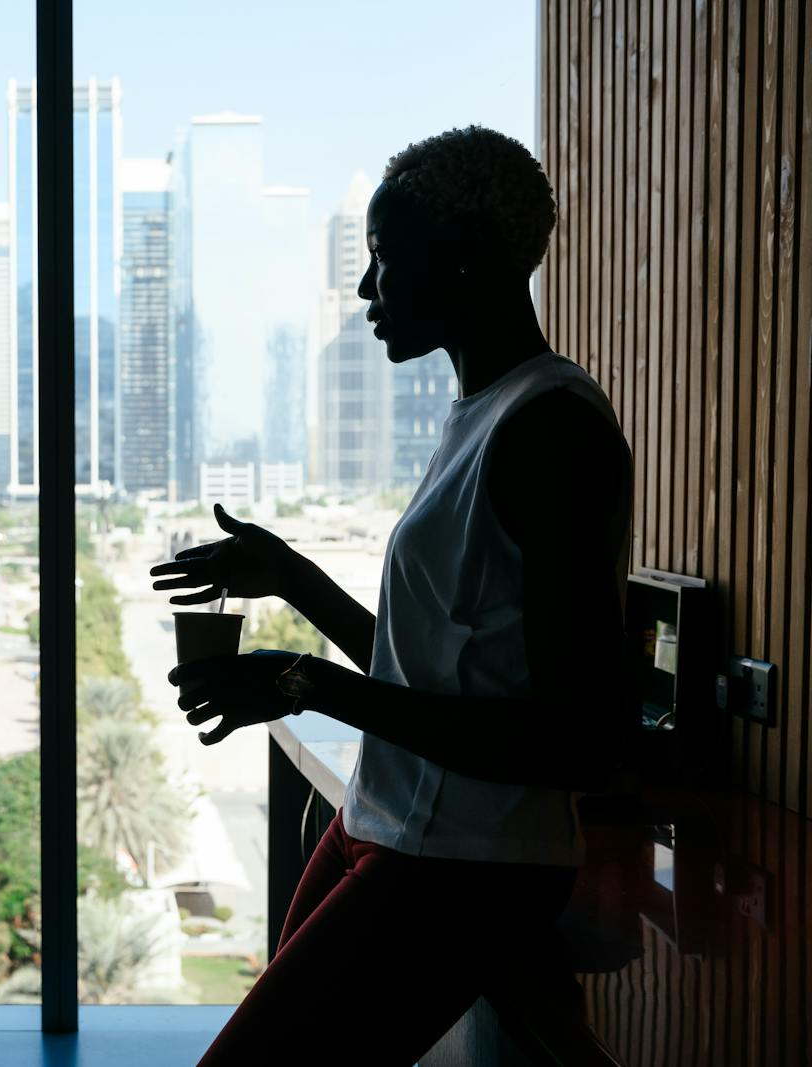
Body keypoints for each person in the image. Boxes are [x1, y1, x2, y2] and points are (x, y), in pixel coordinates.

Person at [151, 126, 633, 1065]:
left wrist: (303, 683)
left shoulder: (552, 432)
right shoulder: (483, 414)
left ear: (462, 261)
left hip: (464, 864)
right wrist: (290, 575)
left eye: (382, 260)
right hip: (387, 826)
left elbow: (578, 739)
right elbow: (427, 671)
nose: (367, 292)